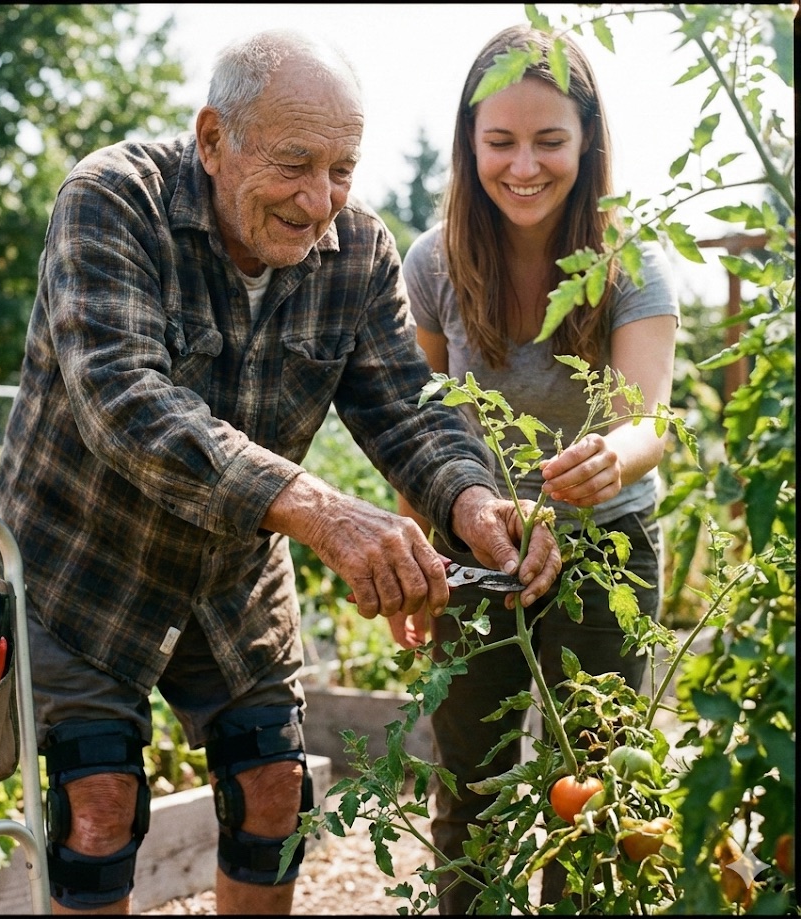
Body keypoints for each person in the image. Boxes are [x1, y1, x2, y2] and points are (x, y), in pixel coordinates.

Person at [0, 27, 561, 917]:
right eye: (295, 164)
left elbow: (409, 407)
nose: (319, 200)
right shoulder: (111, 203)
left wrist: (475, 497)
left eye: (342, 168)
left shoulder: (359, 253)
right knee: (95, 810)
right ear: (213, 140)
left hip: (232, 579)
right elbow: (122, 401)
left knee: (275, 790)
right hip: (85, 565)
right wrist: (322, 510)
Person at [389, 24, 680, 913]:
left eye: (550, 140)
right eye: (500, 141)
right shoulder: (435, 263)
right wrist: (413, 550)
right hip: (477, 545)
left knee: (588, 796)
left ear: (588, 141)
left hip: (606, 549)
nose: (524, 165)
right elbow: (415, 418)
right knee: (468, 792)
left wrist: (606, 458)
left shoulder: (630, 260)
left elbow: (649, 418)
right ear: (468, 143)